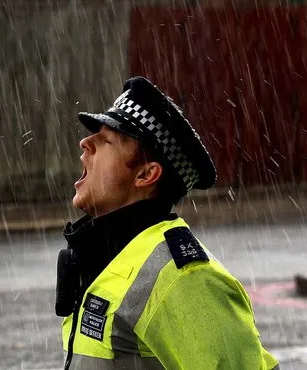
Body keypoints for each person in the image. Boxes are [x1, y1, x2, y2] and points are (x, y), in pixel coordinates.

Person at [55, 76, 279, 369]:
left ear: (146, 175)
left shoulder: (184, 279)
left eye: (106, 141)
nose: (85, 143)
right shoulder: (108, 257)